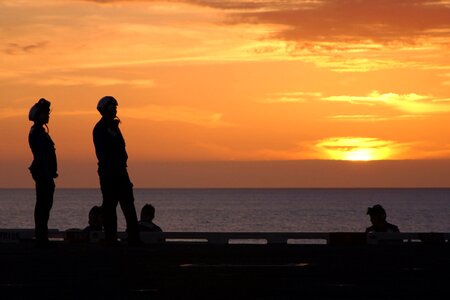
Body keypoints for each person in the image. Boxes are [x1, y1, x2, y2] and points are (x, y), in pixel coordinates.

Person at [93, 96, 141, 245]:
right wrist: (111, 169)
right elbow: (103, 153)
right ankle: (110, 238)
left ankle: (133, 237)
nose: (115, 110)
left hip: (120, 172)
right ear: (106, 109)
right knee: (110, 206)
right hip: (109, 174)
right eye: (113, 107)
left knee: (128, 204)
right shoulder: (101, 128)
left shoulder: (113, 127)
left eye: (115, 107)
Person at [28, 98, 58, 246]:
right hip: (42, 173)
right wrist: (47, 173)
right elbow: (42, 155)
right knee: (43, 205)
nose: (48, 116)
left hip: (45, 172)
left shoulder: (40, 132)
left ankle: (42, 235)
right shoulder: (37, 133)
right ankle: (41, 236)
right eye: (46, 113)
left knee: (44, 205)